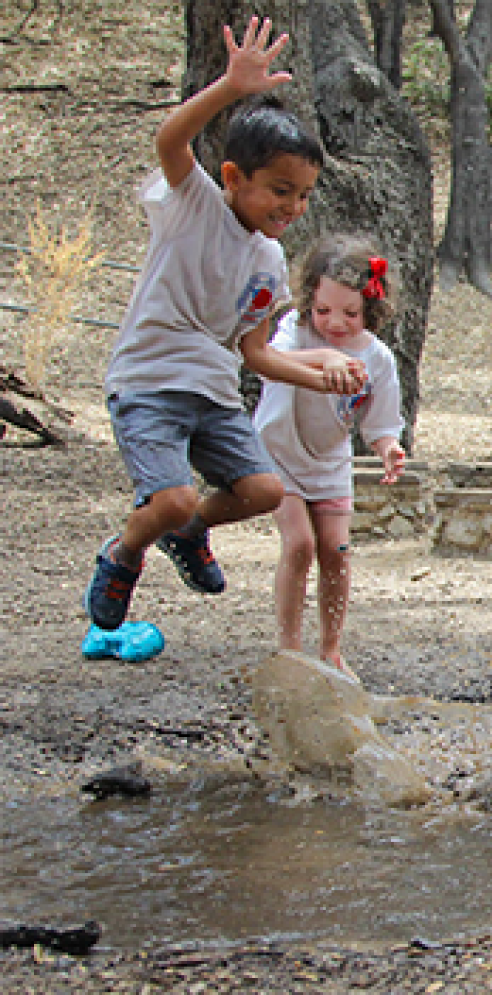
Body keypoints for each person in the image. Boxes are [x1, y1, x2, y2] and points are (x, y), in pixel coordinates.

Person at [83, 18, 368, 632]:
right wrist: (231, 88)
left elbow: (256, 353)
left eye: (303, 196)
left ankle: (186, 534)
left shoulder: (267, 260)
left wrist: (323, 379)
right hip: (149, 382)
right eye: (279, 191)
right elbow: (169, 140)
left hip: (212, 393)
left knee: (263, 491)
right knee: (171, 496)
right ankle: (123, 553)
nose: (292, 208)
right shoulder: (194, 206)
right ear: (235, 178)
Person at [253, 236, 406, 673]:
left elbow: (379, 422)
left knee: (336, 550)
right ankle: (289, 647)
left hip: (329, 460)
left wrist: (388, 448)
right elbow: (271, 358)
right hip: (280, 451)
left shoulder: (377, 359)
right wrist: (324, 357)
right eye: (323, 310)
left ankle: (331, 647)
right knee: (299, 544)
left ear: (370, 310)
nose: (335, 322)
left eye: (350, 313)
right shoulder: (295, 333)